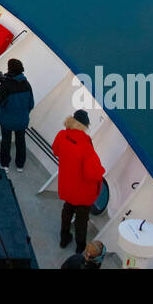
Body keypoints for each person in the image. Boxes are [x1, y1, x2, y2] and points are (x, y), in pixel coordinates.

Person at [53, 109, 106, 254]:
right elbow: (93, 174)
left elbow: (56, 150)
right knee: (81, 219)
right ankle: (80, 246)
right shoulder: (86, 146)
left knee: (67, 209)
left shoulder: (61, 135)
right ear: (85, 126)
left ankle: (64, 239)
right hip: (82, 191)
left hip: (66, 184)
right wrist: (101, 171)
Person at [0, 58, 34, 172]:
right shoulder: (27, 85)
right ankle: (20, 165)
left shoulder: (5, 85)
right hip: (22, 121)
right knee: (20, 141)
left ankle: (5, 165)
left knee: (6, 141)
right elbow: (31, 104)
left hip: (7, 120)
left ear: (10, 69)